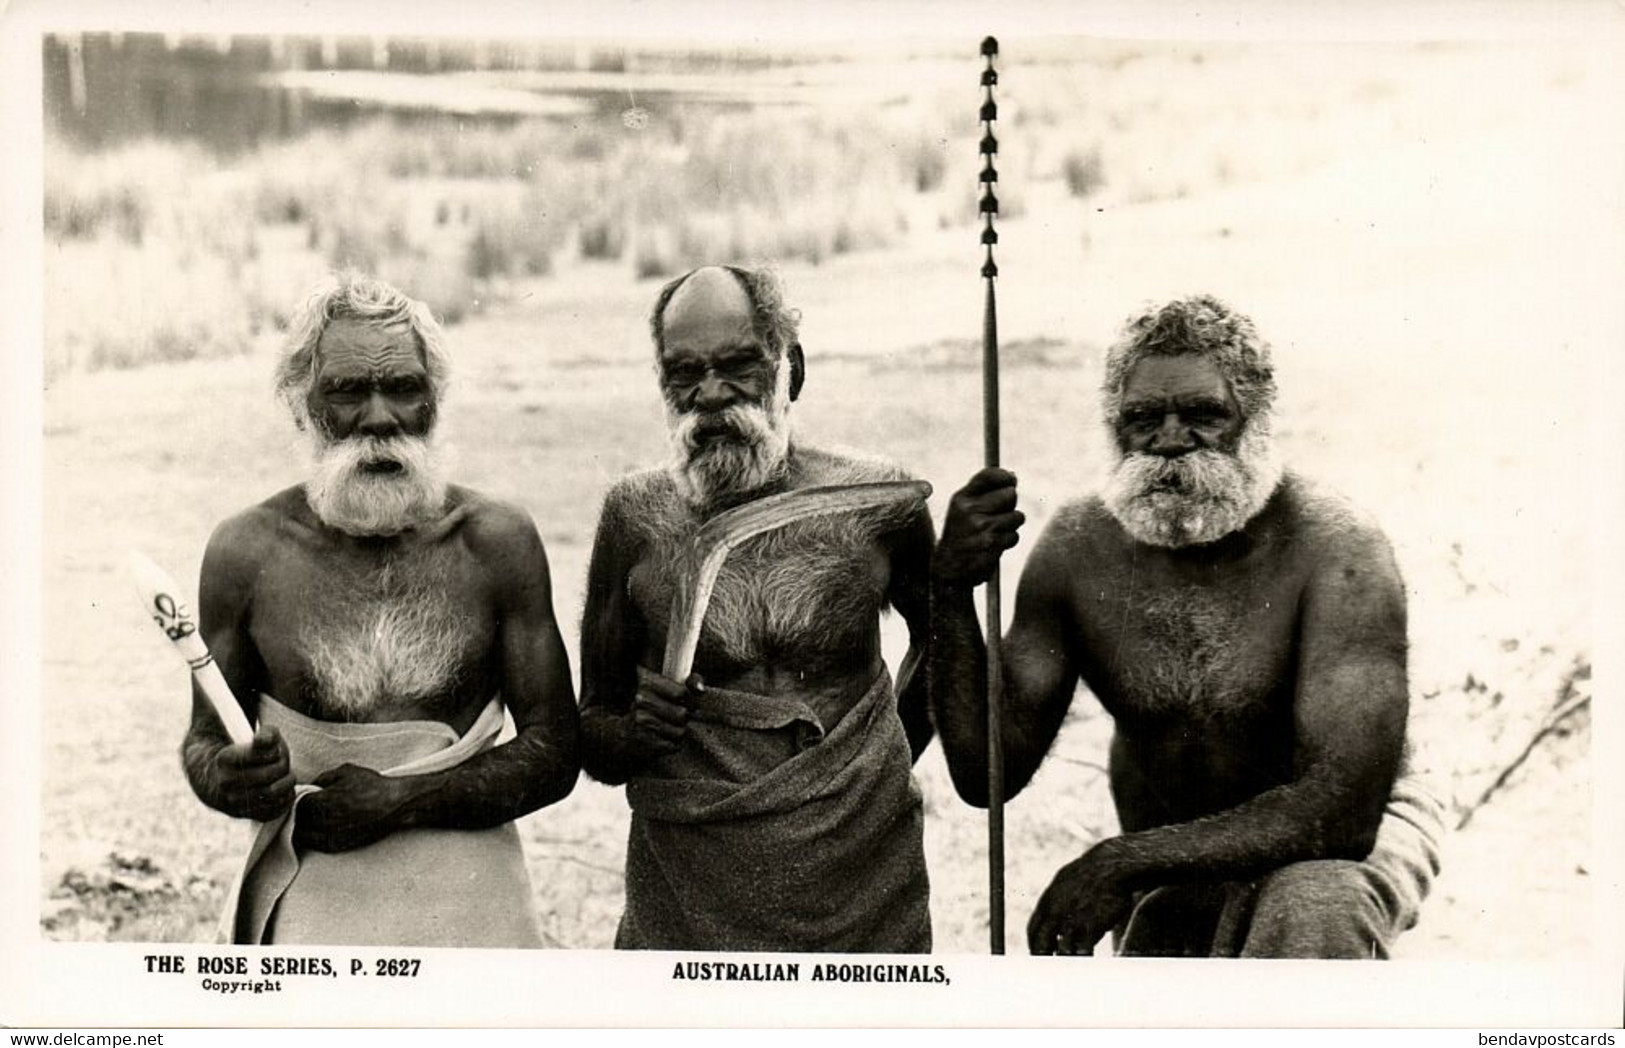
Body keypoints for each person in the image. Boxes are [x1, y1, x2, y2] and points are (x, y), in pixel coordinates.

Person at [931, 294, 1443, 958]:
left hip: (1351, 830)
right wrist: (950, 586)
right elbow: (985, 773)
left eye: (1203, 416)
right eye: (1143, 419)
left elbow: (1341, 812)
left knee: (1313, 906)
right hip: (1176, 842)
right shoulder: (1075, 549)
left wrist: (1121, 862)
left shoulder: (1335, 546)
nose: (1170, 440)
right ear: (1112, 426)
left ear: (1255, 419)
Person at [181, 271, 579, 947]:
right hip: (312, 878)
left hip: (469, 888)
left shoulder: (495, 541)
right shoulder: (245, 552)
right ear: (300, 404)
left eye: (403, 388)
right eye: (346, 391)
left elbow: (555, 747)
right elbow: (205, 740)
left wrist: (402, 802)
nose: (379, 417)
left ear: (435, 399)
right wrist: (229, 779)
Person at [579, 264, 937, 952]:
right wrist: (635, 735)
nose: (709, 396)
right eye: (683, 374)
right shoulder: (633, 517)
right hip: (689, 893)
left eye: (738, 365)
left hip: (859, 878)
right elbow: (593, 727)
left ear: (789, 370)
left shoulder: (877, 500)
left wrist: (875, 762)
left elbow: (942, 640)